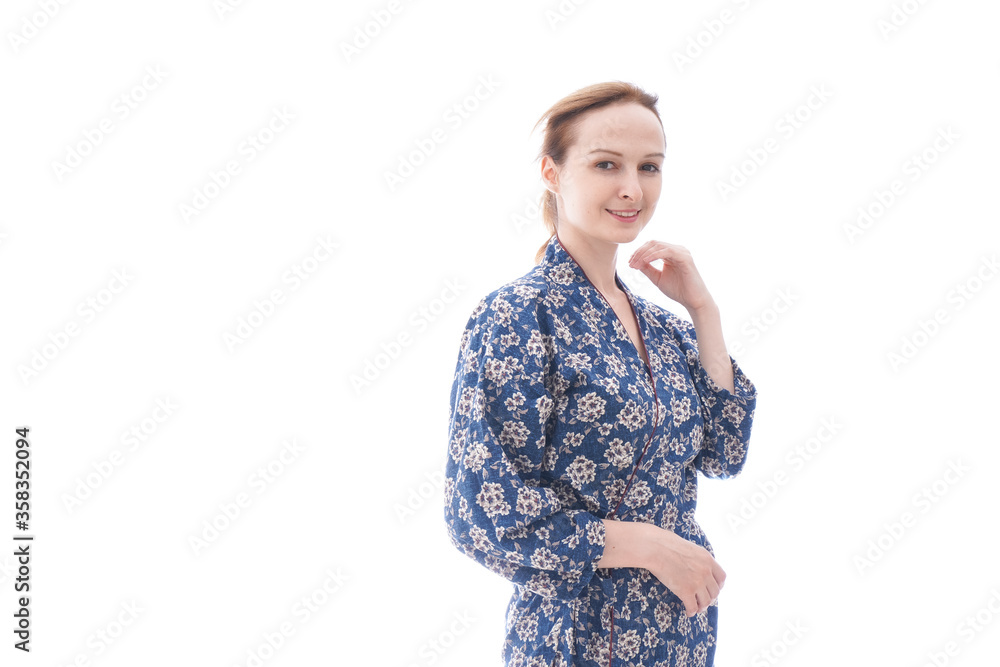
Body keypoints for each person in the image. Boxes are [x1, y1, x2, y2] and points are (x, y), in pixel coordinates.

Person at [442, 81, 758, 667]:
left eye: (650, 166)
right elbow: (480, 513)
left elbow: (725, 452)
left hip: (679, 636)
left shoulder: (663, 327)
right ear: (552, 172)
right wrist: (648, 546)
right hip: (574, 638)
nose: (632, 188)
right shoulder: (517, 316)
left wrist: (704, 313)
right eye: (606, 164)